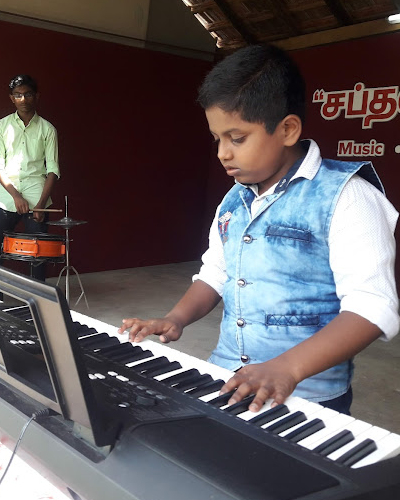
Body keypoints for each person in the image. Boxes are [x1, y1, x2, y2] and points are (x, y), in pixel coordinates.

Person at [118, 44, 399, 416]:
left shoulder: (348, 196)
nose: (222, 153)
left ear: (287, 129)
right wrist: (175, 318)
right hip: (226, 379)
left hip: (308, 399)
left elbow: (373, 306)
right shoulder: (234, 199)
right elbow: (216, 274)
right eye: (217, 139)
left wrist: (288, 367)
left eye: (237, 138)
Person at [0, 74, 60, 281]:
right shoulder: (2, 126)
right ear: (11, 98)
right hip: (6, 197)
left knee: (39, 254)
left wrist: (41, 205)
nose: (23, 100)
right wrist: (16, 196)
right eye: (18, 95)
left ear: (36, 96)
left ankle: (38, 300)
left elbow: (52, 169)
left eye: (27, 94)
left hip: (37, 198)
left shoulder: (48, 129)